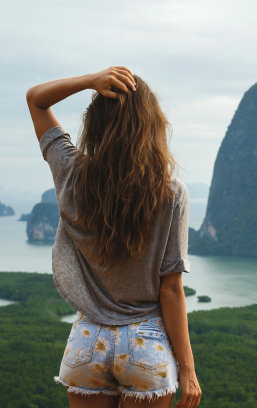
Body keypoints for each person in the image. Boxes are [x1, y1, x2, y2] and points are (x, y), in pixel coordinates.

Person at [26, 67, 202, 408]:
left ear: (95, 124)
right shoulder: (170, 193)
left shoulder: (72, 174)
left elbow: (36, 99)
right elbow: (170, 288)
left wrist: (90, 81)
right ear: (151, 126)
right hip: (145, 345)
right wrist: (188, 371)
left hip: (86, 342)